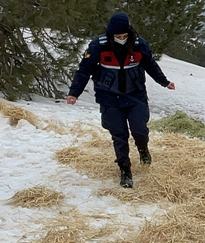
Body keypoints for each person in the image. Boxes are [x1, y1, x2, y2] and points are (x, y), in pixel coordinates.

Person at [66, 12, 175, 188]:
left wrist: (164, 82)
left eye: (125, 36)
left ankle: (143, 149)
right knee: (119, 135)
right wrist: (74, 92)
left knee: (140, 129)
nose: (122, 39)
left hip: (135, 96)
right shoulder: (97, 46)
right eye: (118, 37)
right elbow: (84, 70)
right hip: (109, 98)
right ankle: (125, 170)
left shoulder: (140, 45)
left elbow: (150, 65)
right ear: (111, 34)